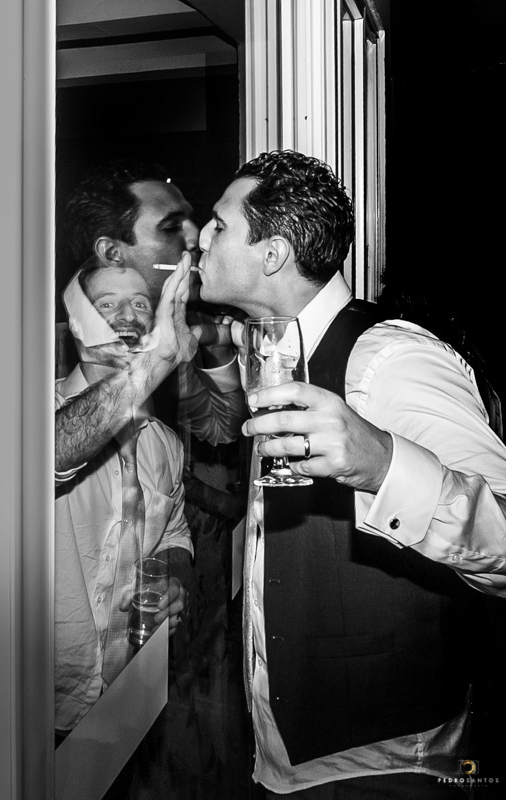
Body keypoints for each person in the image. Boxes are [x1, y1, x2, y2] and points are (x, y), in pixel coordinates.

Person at [198, 149, 506, 795]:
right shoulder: (273, 351)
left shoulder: (390, 359)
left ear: (273, 254)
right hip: (282, 753)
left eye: (219, 225)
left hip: (386, 761)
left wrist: (384, 463)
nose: (201, 237)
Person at [55, 264, 195, 737]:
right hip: (32, 698)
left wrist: (175, 579)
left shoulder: (165, 444)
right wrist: (155, 363)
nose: (128, 315)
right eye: (107, 303)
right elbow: (49, 455)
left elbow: (174, 534)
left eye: (140, 303)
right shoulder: (27, 409)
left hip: (129, 694)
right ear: (77, 323)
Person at [63, 159, 246, 446]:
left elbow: (221, 431)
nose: (197, 237)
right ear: (112, 253)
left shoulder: (169, 329)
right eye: (171, 227)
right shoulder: (48, 353)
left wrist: (218, 352)